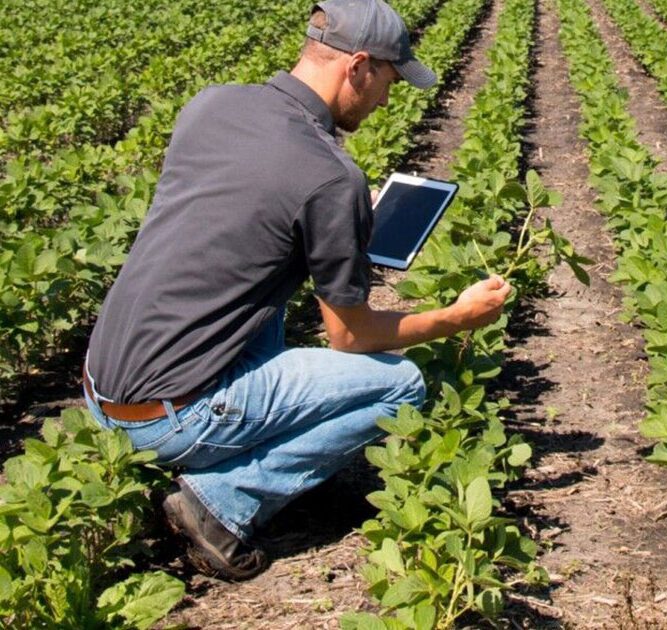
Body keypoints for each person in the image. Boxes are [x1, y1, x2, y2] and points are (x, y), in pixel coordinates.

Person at [80, 0, 512, 581]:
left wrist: (337, 235)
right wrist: (458, 317)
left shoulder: (213, 103)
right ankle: (221, 503)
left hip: (102, 387)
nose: (388, 97)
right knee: (400, 385)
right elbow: (349, 337)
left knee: (267, 301)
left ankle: (213, 439)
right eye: (388, 79)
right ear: (358, 66)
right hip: (166, 418)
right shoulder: (332, 177)